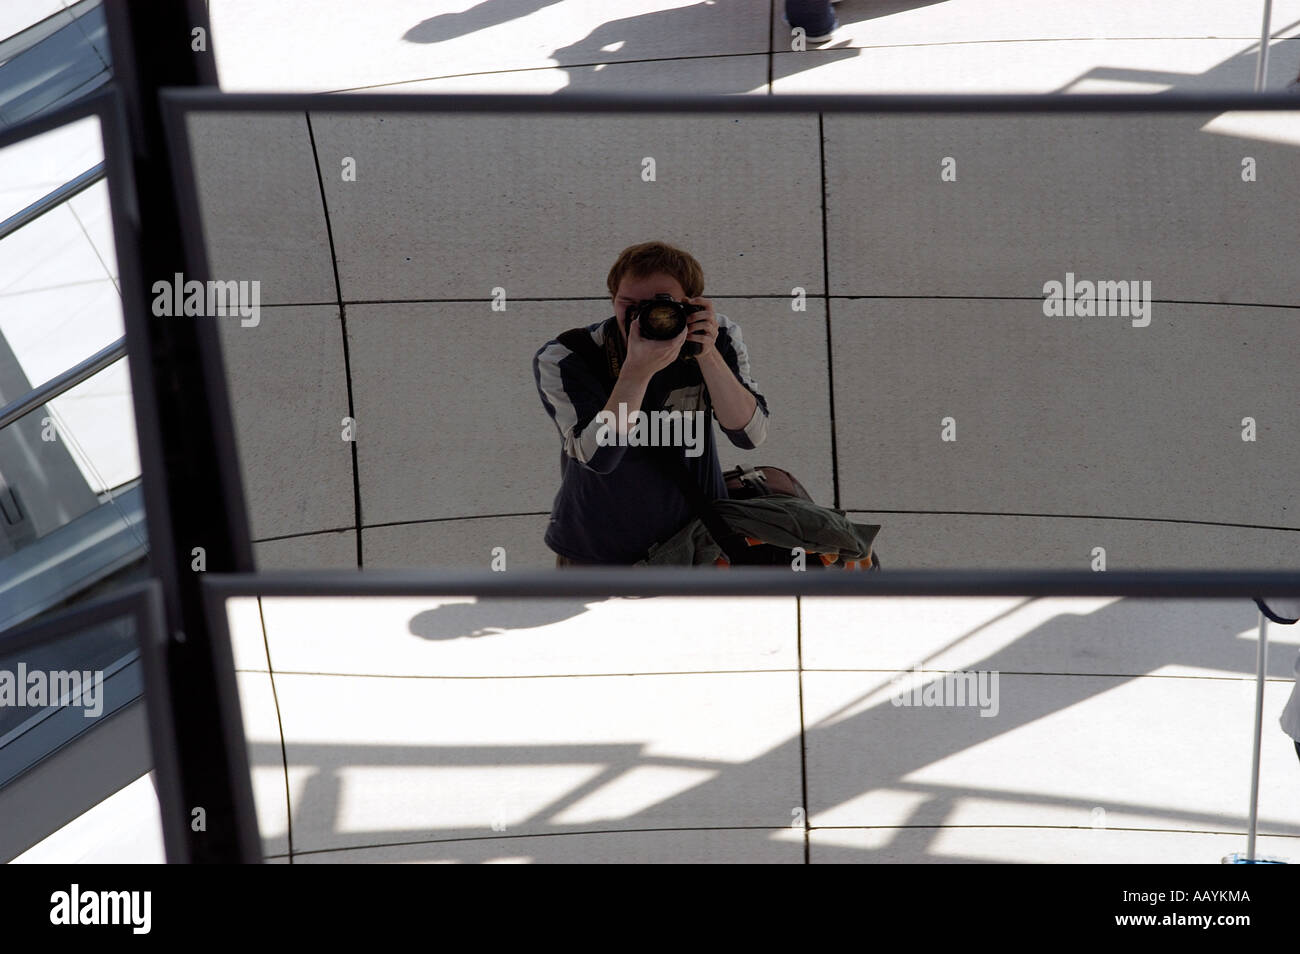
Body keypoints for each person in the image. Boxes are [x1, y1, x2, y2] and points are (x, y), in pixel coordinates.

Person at [533, 241, 769, 566]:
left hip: (699, 546)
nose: (640, 318)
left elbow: (749, 434)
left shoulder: (718, 337)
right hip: (596, 554)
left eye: (660, 305)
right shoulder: (569, 355)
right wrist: (635, 373)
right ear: (612, 298)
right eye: (627, 303)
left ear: (692, 304)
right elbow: (598, 456)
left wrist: (708, 355)